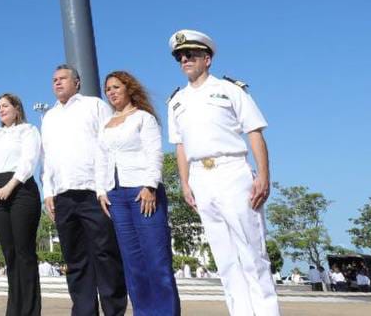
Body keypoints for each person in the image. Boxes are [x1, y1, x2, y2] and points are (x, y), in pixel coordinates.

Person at [167, 29, 280, 316]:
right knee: (225, 259)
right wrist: (185, 183)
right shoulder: (176, 101)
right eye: (180, 56)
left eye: (190, 54)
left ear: (207, 59)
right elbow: (180, 146)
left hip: (232, 171)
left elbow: (254, 132)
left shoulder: (230, 90)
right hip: (200, 177)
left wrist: (263, 177)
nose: (184, 59)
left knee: (252, 253)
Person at [41, 65, 127, 316]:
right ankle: (84, 311)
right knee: (75, 260)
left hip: (94, 192)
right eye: (54, 79)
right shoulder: (49, 117)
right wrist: (48, 192)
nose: (57, 83)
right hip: (63, 195)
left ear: (77, 83)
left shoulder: (95, 106)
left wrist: (105, 187)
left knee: (105, 255)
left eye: (63, 79)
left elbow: (108, 146)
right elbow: (47, 159)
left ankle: (114, 311)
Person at [97, 71, 180, 315]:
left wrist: (150, 185)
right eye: (108, 89)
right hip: (116, 196)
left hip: (142, 192)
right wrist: (101, 190)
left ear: (129, 89)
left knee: (156, 260)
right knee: (133, 263)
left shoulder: (143, 118)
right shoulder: (106, 125)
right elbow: (101, 158)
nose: (111, 92)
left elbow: (155, 152)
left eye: (116, 87)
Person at [0, 93, 43, 316]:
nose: (1, 109)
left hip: (22, 190)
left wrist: (10, 186)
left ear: (17, 108)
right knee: (10, 253)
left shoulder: (28, 130)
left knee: (24, 252)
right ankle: (14, 310)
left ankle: (30, 310)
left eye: (5, 105)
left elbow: (29, 161)